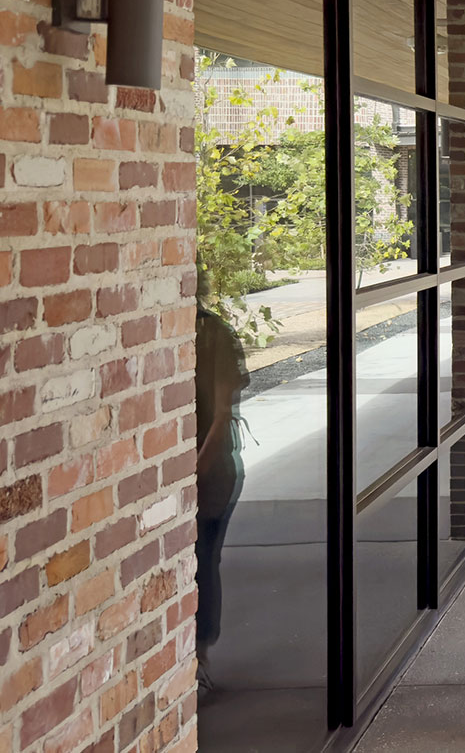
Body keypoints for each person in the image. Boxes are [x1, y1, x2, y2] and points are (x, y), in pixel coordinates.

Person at [193, 271, 247, 696]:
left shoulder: (215, 335)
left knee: (202, 559)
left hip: (214, 472)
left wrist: (194, 472)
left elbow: (222, 414)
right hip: (186, 473)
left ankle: (198, 654)